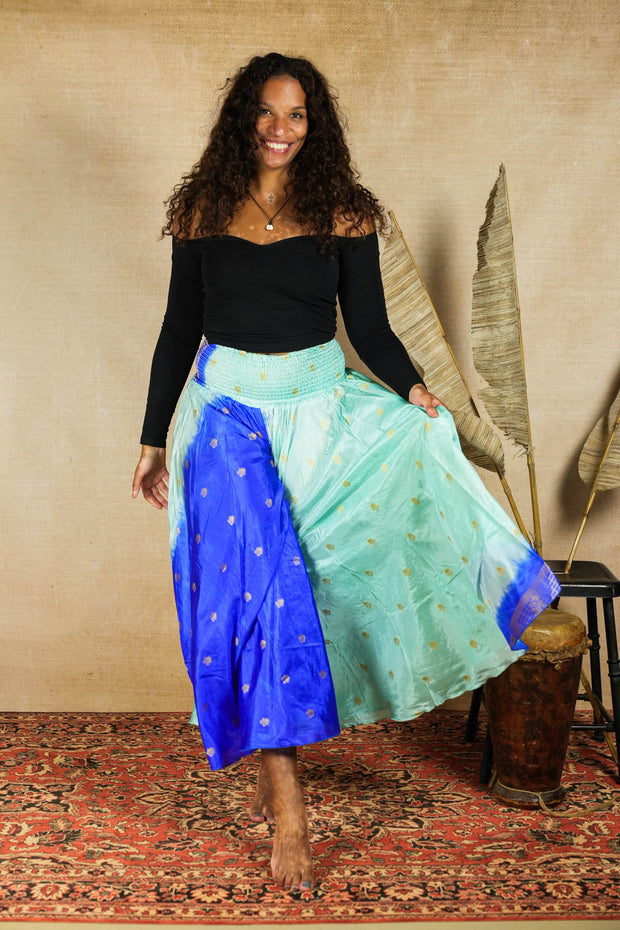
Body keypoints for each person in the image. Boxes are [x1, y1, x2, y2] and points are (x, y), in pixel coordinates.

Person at [132, 52, 560, 893]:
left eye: (296, 114)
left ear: (314, 123)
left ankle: (274, 753)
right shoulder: (200, 208)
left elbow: (370, 326)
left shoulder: (346, 210)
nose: (280, 129)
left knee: (311, 593)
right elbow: (180, 327)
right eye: (266, 111)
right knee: (257, 600)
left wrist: (415, 392)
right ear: (243, 118)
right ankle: (291, 808)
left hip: (323, 418)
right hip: (223, 421)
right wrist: (151, 439)